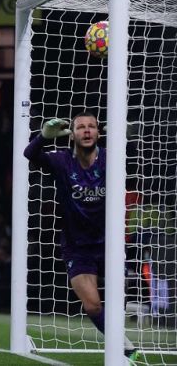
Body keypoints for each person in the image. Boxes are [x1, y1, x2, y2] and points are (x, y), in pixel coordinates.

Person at [23, 113, 139, 362]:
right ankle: (126, 348)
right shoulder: (62, 161)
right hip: (77, 247)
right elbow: (29, 154)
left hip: (110, 244)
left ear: (99, 132)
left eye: (91, 127)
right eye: (80, 127)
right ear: (72, 134)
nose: (86, 131)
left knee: (120, 298)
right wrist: (43, 137)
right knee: (93, 305)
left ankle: (123, 346)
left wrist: (126, 137)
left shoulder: (111, 158)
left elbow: (138, 159)